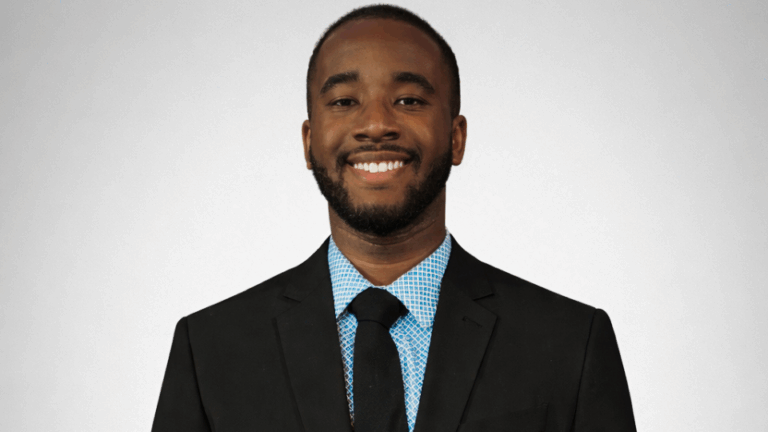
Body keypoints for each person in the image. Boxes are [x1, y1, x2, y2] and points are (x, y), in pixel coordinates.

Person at [152, 5, 636, 432]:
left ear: (456, 137)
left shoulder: (570, 344)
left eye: (409, 100)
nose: (376, 124)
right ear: (308, 141)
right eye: (344, 101)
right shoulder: (210, 350)